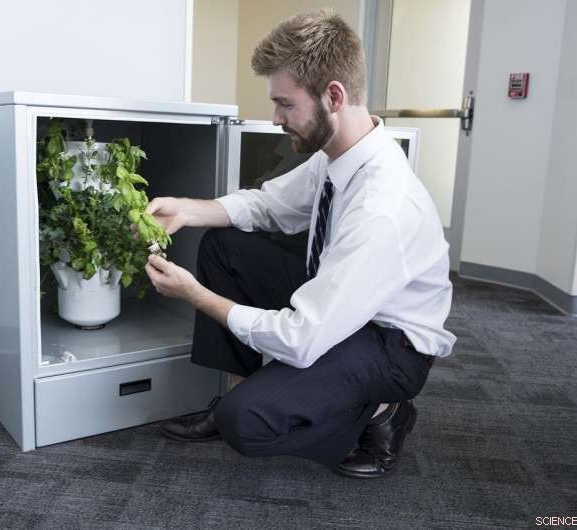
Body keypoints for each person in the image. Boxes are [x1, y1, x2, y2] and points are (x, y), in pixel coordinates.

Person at [143, 9, 455, 479]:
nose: (275, 118)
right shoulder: (338, 156)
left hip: (389, 345)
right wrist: (187, 210)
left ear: (333, 96)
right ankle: (241, 390)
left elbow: (301, 338)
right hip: (342, 302)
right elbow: (269, 206)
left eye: (285, 104)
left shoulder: (383, 206)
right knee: (223, 246)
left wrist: (195, 295)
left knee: (246, 424)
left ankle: (384, 413)